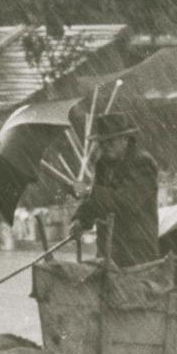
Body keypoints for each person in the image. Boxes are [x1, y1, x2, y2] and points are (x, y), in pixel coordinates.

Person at [72, 113, 160, 266]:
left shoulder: (142, 163)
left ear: (124, 140)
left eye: (109, 142)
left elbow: (129, 202)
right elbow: (95, 200)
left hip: (136, 252)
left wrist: (90, 190)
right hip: (107, 248)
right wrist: (80, 219)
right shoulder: (103, 164)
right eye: (101, 143)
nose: (104, 147)